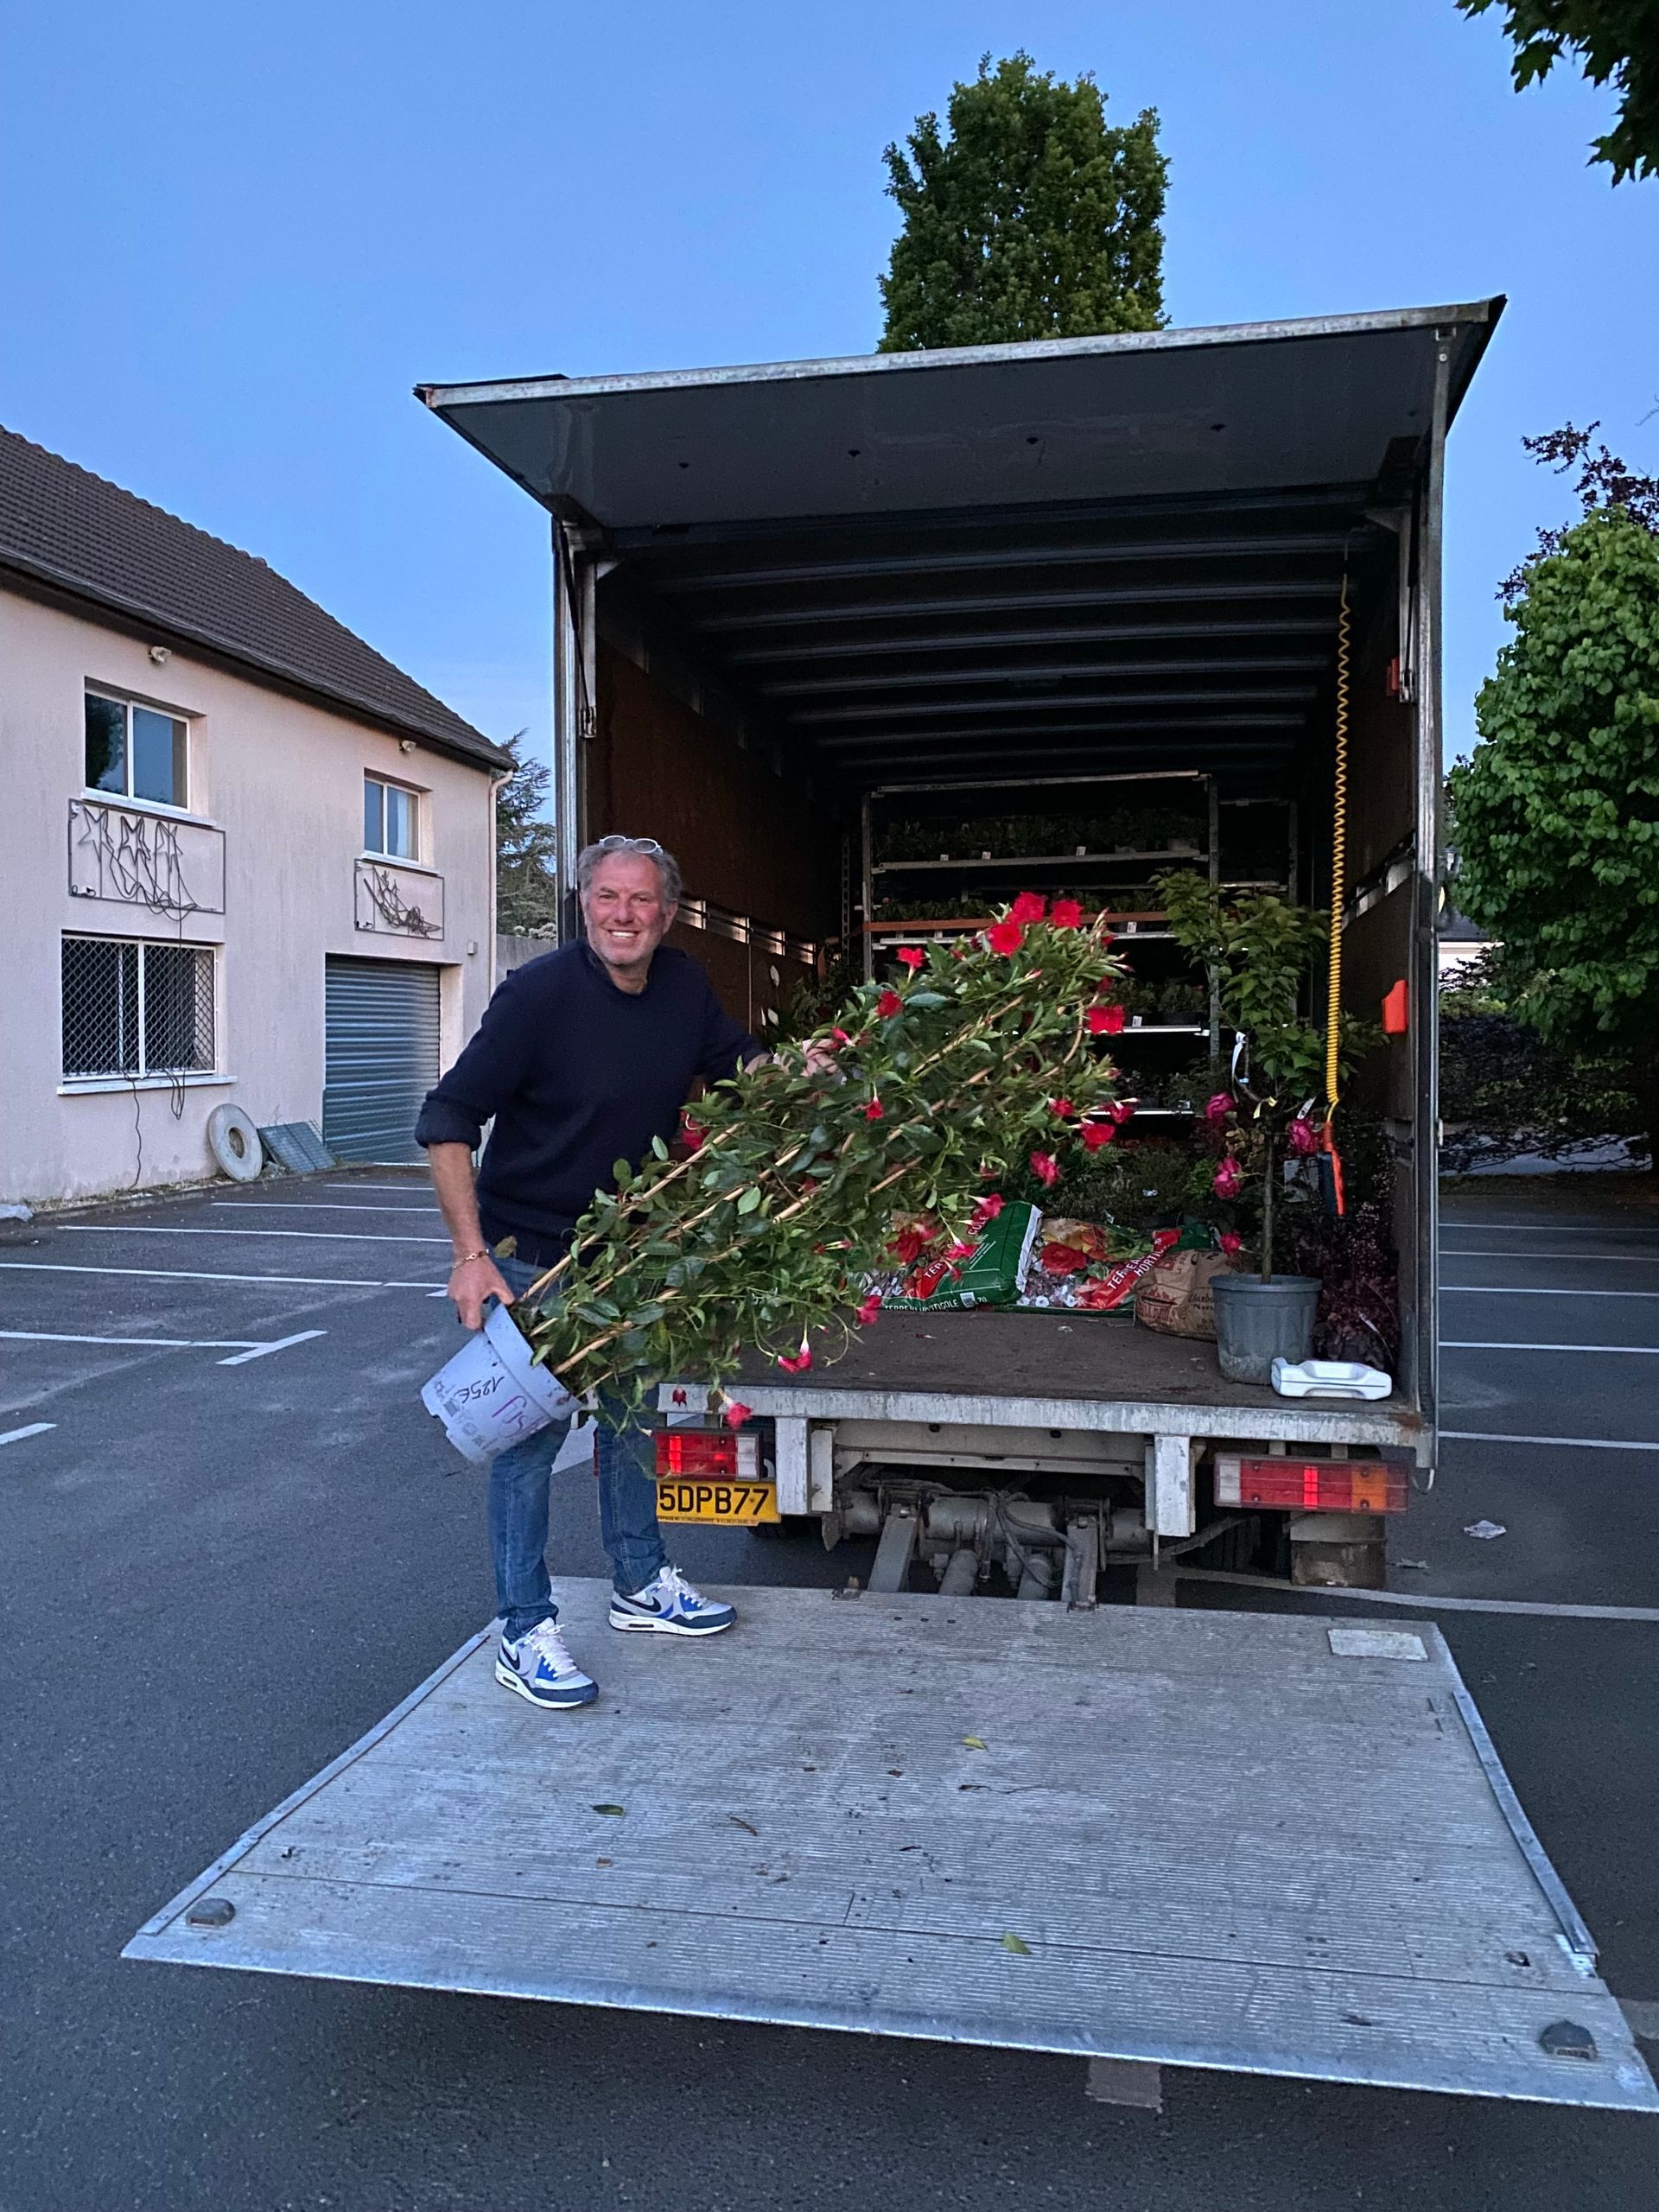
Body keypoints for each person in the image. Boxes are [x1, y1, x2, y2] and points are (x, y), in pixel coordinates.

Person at [416, 835, 763, 1712]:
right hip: (535, 1261)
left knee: (633, 1422)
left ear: (668, 912)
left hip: (634, 1253)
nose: (624, 915)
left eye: (641, 900)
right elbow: (447, 1117)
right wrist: (471, 1256)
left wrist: (807, 1077)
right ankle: (522, 1627)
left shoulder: (682, 986)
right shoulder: (537, 996)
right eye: (608, 896)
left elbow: (740, 1066)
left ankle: (640, 1582)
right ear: (583, 903)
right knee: (528, 1448)